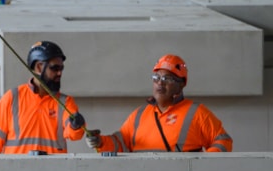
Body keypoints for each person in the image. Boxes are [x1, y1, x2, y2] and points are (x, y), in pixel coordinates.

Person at [86, 54, 232, 153]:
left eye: (167, 78)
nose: (160, 83)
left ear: (181, 84)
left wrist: (202, 166)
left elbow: (223, 141)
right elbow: (120, 144)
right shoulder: (139, 115)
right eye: (156, 77)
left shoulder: (197, 113)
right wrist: (100, 142)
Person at [0, 40, 86, 154]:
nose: (59, 73)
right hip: (17, 166)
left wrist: (76, 126)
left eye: (61, 69)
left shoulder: (65, 102)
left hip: (54, 166)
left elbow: (75, 134)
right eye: (55, 68)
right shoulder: (11, 98)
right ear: (39, 67)